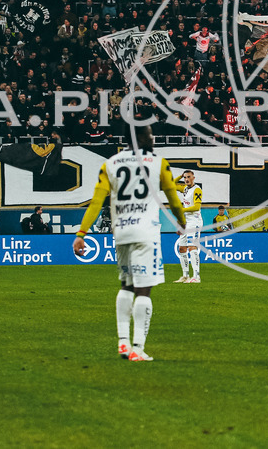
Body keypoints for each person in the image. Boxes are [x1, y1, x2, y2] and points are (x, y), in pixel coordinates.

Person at [73, 126, 186, 362]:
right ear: (142, 137)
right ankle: (138, 348)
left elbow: (96, 201)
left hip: (122, 231)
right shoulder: (158, 163)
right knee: (144, 290)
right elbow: (174, 200)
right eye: (150, 134)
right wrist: (182, 222)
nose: (152, 138)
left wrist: (81, 233)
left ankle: (123, 342)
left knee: (126, 285)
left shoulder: (110, 164)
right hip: (146, 232)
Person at [173, 170, 204, 283]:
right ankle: (185, 275)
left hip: (194, 221)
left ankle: (196, 276)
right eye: (185, 177)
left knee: (192, 247)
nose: (186, 179)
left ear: (193, 178)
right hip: (186, 222)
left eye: (189, 177)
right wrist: (180, 176)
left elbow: (196, 207)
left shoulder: (197, 190)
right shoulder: (185, 189)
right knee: (182, 248)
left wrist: (182, 210)